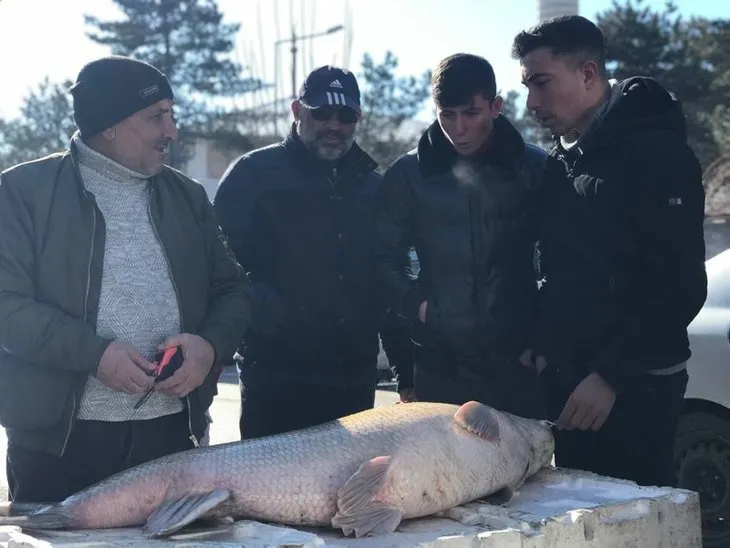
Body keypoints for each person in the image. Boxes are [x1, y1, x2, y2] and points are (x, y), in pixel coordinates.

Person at [0, 56, 252, 503]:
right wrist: (94, 355)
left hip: (170, 441)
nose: (171, 131)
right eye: (157, 116)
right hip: (60, 448)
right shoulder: (22, 194)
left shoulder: (188, 197)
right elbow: (6, 305)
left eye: (172, 115)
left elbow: (232, 290)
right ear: (109, 123)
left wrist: (209, 346)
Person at [511, 16, 707, 487]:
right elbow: (567, 271)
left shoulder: (657, 156)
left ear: (588, 74)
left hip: (635, 388)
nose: (531, 102)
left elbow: (681, 287)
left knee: (635, 523)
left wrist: (611, 377)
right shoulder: (566, 157)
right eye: (526, 86)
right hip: (573, 385)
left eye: (541, 83)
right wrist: (543, 344)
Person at [214, 65, 413, 440]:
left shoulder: (375, 189)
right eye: (321, 113)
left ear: (358, 118)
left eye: (346, 115)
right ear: (296, 111)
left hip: (351, 380)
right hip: (275, 376)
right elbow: (219, 272)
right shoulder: (252, 175)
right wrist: (267, 319)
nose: (333, 125)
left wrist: (406, 370)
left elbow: (390, 280)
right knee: (270, 494)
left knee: (349, 493)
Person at [375, 53, 548, 417]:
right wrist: (420, 308)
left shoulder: (535, 168)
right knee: (447, 474)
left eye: (471, 113)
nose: (458, 128)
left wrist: (540, 341)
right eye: (446, 114)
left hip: (519, 365)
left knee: (522, 472)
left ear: (496, 106)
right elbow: (379, 260)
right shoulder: (407, 175)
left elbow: (565, 259)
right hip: (440, 366)